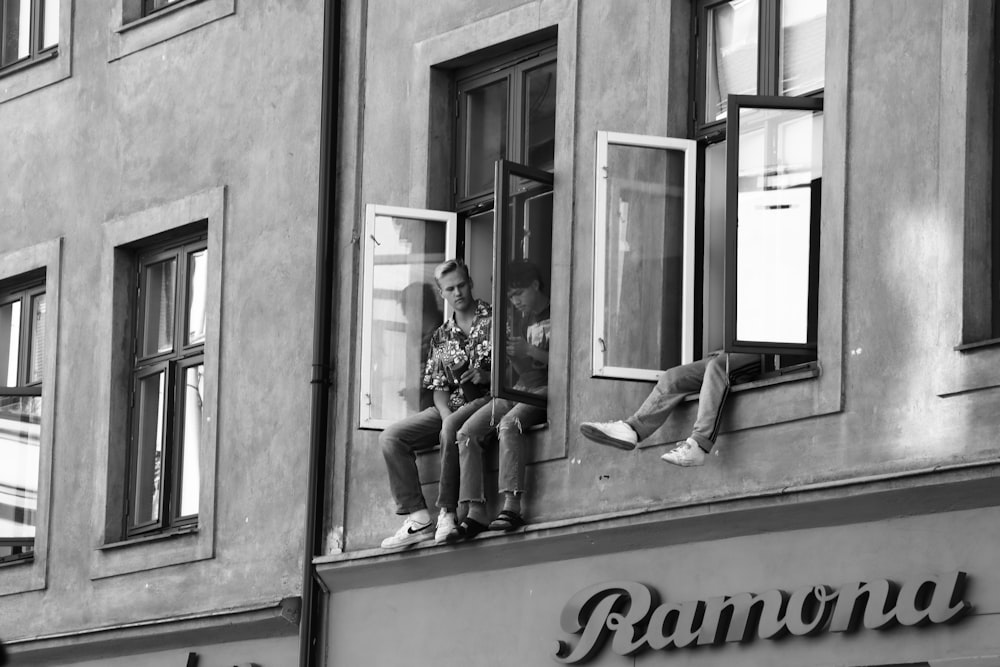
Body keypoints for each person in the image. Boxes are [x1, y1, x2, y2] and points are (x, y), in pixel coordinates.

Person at [379, 259, 492, 548]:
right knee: (391, 437)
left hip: (487, 401)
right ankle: (418, 517)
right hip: (451, 406)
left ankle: (447, 512)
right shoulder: (441, 335)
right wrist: (443, 414)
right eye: (450, 288)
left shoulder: (496, 318)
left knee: (450, 428)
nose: (458, 293)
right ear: (442, 293)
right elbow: (439, 389)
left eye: (462, 285)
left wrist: (486, 375)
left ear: (471, 283)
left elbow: (516, 373)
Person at [449, 260, 550, 540]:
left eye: (518, 294)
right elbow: (523, 371)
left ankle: (512, 507)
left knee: (509, 424)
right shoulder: (518, 318)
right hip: (519, 387)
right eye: (510, 298)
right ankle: (476, 512)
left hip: (547, 390)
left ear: (535, 285)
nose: (515, 302)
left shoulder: (558, 311)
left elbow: (566, 364)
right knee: (466, 432)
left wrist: (529, 349)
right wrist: (514, 356)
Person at [580, 350, 761, 466]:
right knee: (672, 377)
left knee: (717, 367)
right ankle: (632, 429)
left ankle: (698, 444)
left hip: (766, 347)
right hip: (732, 348)